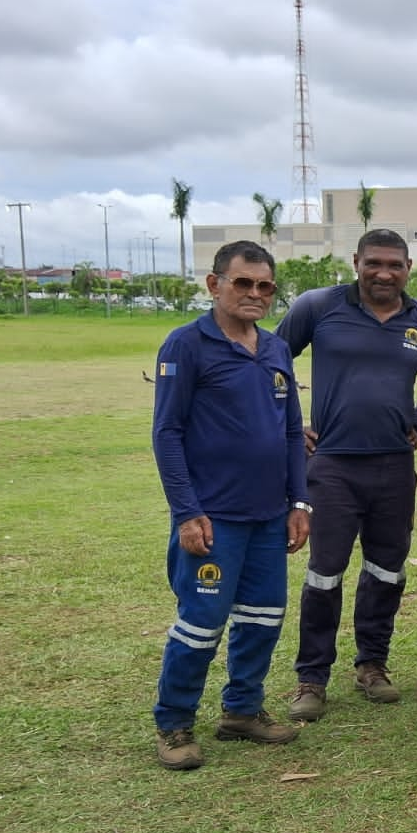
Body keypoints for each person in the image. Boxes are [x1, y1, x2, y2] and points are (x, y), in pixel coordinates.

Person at [150, 240, 310, 770]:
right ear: (214, 284)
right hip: (213, 516)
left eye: (265, 286)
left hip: (269, 515)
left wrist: (299, 502)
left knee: (263, 618)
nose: (255, 294)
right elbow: (168, 433)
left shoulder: (275, 350)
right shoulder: (185, 345)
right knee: (201, 622)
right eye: (243, 283)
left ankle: (241, 710)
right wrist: (185, 511)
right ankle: (174, 723)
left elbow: (291, 433)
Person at [278, 229, 417, 720]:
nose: (384, 273)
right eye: (374, 263)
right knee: (324, 572)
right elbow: (268, 361)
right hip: (331, 466)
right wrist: (290, 427)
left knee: (386, 570)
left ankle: (373, 664)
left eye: (395, 265)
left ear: (408, 267)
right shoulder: (318, 306)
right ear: (356, 262)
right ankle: (312, 677)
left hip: (394, 467)